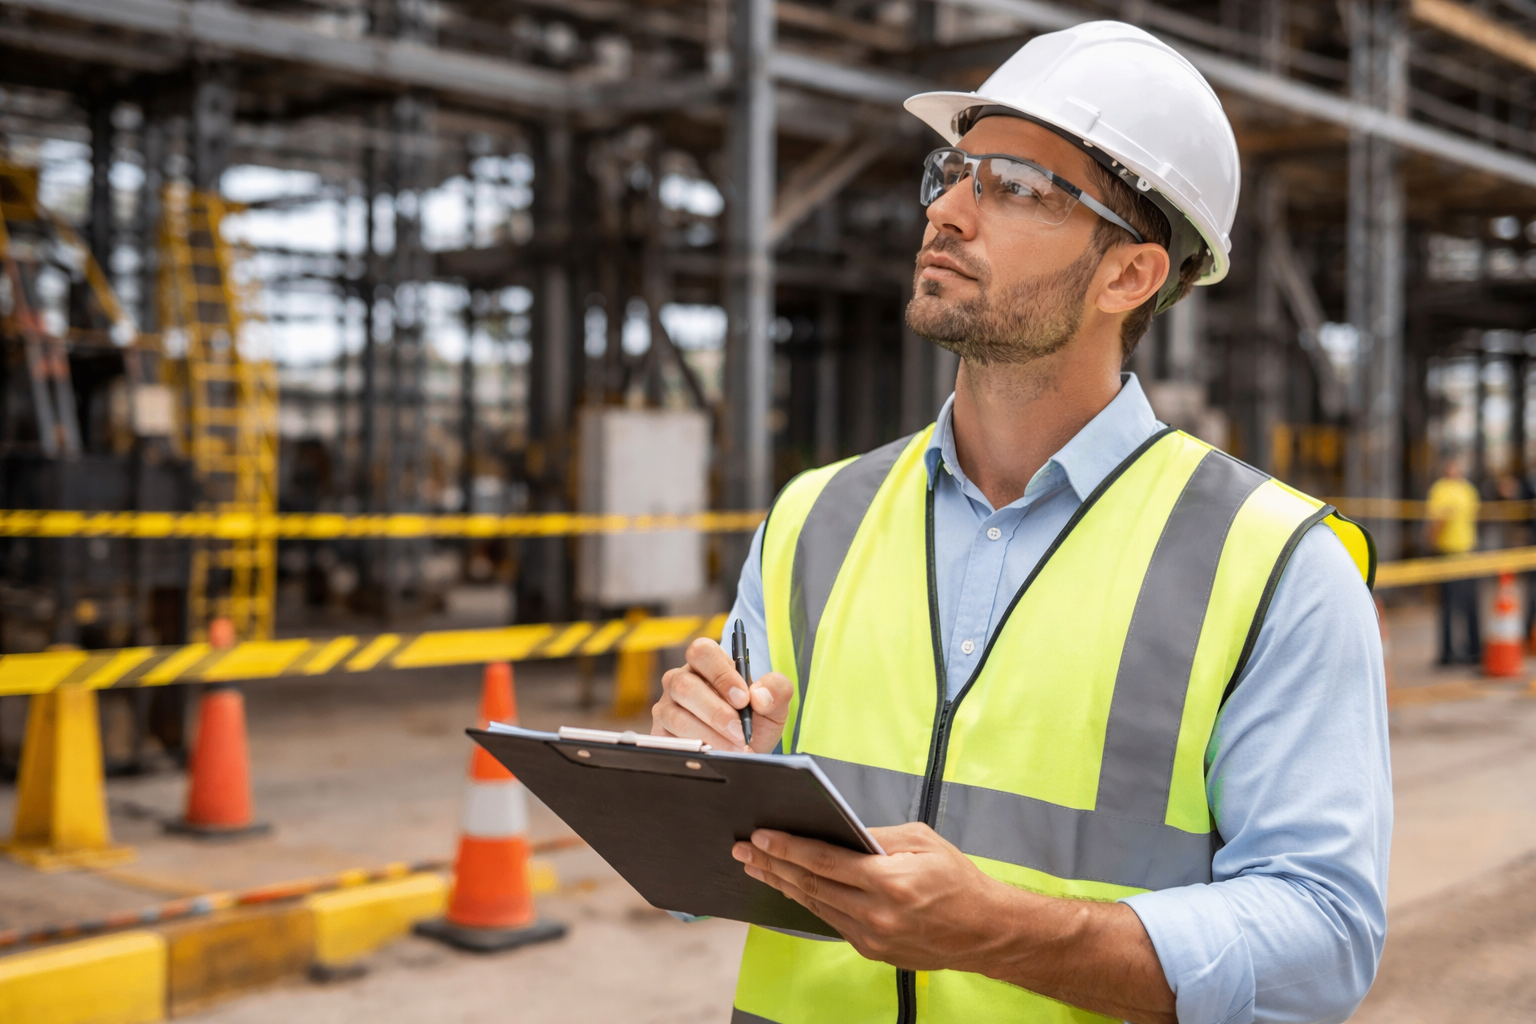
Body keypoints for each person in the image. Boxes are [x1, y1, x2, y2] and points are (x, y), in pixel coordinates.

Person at [653, 22, 1390, 1024]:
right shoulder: (813, 516)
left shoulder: (1274, 563)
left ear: (1129, 275)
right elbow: (712, 875)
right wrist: (708, 781)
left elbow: (1324, 940)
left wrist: (1000, 930)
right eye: (954, 173)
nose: (950, 211)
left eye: (1016, 185)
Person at [1427, 457, 1481, 665]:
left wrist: (1430, 543)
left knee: (1449, 604)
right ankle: (1472, 649)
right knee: (1466, 604)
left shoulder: (1442, 490)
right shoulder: (1467, 490)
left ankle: (1450, 653)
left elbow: (1437, 522)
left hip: (1453, 553)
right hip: (1463, 552)